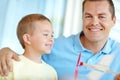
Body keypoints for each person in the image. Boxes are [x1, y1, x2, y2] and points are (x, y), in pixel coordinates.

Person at [0, 0, 120, 80]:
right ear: (82, 19)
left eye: (101, 17)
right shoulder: (54, 46)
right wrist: (5, 51)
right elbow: (25, 59)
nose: (94, 23)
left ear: (113, 21)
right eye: (88, 16)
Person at [0, 14, 58, 80]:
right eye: (45, 35)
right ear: (27, 39)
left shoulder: (52, 72)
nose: (51, 39)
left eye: (52, 35)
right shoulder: (10, 65)